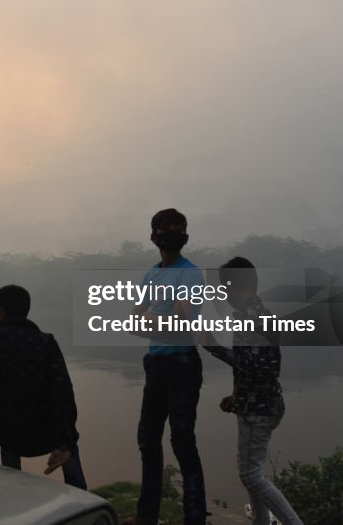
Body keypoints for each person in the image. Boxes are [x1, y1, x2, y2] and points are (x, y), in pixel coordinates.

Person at [0, 284, 87, 490]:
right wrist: (66, 442)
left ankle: (11, 494)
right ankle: (83, 502)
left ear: (1, 312)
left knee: (9, 470)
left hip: (9, 434)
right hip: (47, 434)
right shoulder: (46, 342)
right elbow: (63, 393)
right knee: (71, 449)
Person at [203, 258, 303, 525]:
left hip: (258, 410)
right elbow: (263, 368)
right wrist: (236, 398)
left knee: (250, 475)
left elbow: (255, 366)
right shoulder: (260, 314)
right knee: (252, 470)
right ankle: (261, 520)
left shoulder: (252, 317)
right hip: (263, 403)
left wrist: (213, 346)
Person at [128, 208, 207, 525]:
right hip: (156, 363)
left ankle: (194, 518)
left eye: (180, 227)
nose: (174, 231)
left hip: (182, 365)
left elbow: (182, 324)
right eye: (167, 227)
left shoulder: (190, 274)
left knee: (182, 442)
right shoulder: (152, 273)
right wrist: (161, 320)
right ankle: (146, 517)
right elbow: (134, 323)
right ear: (154, 235)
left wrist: (152, 320)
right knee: (147, 439)